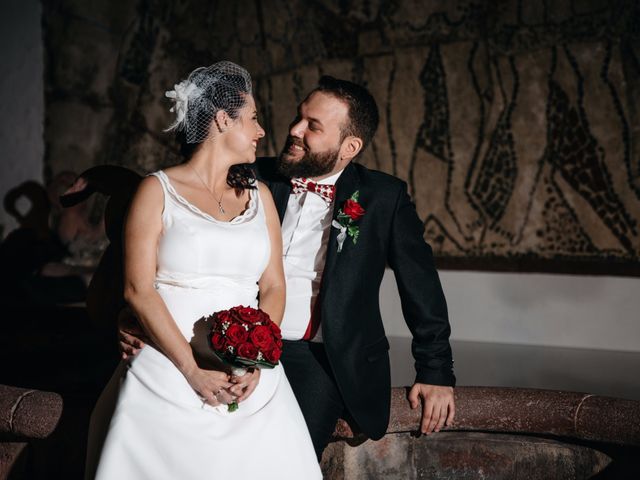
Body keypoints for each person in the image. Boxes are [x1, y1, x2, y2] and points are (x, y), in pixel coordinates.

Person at [121, 75, 456, 460]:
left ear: (350, 147)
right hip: (220, 341)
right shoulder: (251, 175)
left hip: (315, 356)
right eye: (299, 117)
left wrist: (436, 372)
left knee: (277, 459)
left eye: (313, 126)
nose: (293, 130)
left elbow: (421, 286)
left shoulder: (384, 198)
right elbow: (173, 212)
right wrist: (133, 316)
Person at [88, 61, 321, 479]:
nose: (261, 131)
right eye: (252, 118)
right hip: (166, 366)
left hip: (248, 376)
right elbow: (138, 290)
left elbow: (272, 285)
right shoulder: (155, 190)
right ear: (221, 119)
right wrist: (192, 371)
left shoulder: (261, 196)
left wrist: (257, 361)